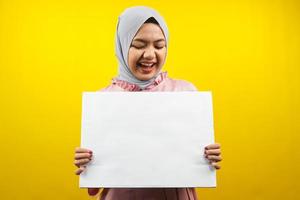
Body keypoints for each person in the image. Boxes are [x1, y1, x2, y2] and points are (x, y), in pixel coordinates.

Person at [74, 6, 222, 200]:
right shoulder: (104, 101)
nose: (150, 55)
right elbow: (95, 186)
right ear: (123, 45)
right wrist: (88, 164)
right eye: (139, 45)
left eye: (159, 46)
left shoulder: (185, 93)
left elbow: (194, 167)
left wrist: (207, 157)